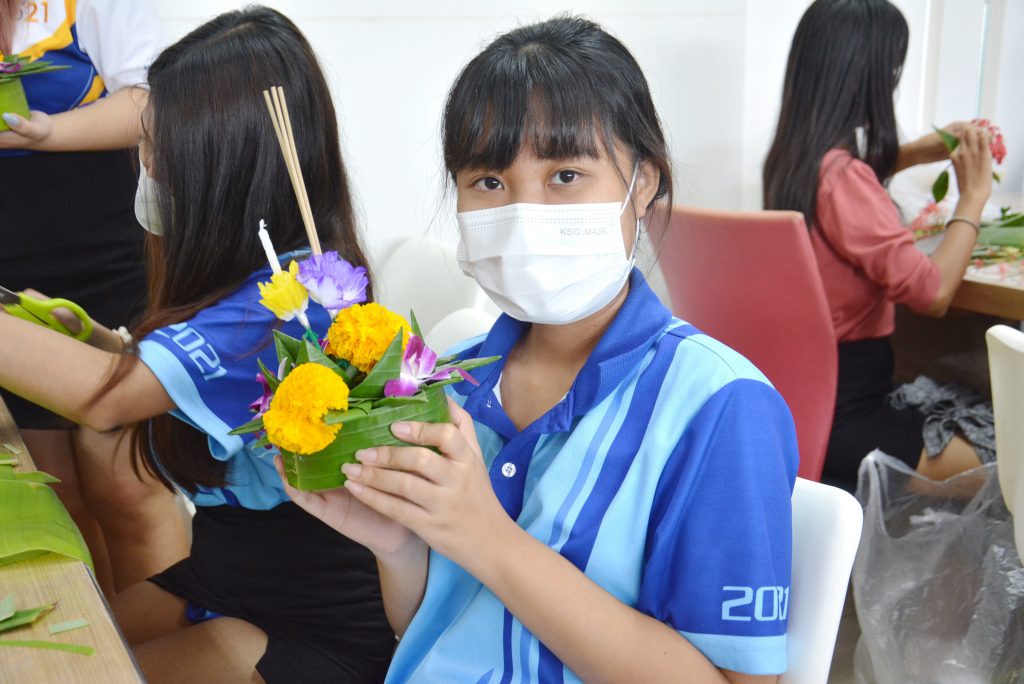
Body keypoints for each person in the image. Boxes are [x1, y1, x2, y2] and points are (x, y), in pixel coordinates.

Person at [284, 16, 798, 683]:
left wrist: (485, 536)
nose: (525, 215)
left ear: (643, 182)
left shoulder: (720, 406)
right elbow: (431, 632)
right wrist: (399, 546)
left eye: (565, 174)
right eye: (489, 182)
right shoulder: (449, 372)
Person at [0, 7, 393, 682]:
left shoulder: (296, 298)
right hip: (224, 577)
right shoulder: (241, 275)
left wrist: (105, 364)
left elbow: (107, 402)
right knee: (37, 651)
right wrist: (100, 341)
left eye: (159, 149)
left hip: (312, 627)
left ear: (221, 164)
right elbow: (148, 381)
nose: (147, 166)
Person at [763, 0, 994, 487]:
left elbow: (847, 192)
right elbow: (934, 293)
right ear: (870, 78)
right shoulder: (843, 179)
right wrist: (972, 198)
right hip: (853, 417)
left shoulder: (793, 163)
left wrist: (913, 153)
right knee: (1008, 455)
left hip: (812, 405)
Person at [0, 0, 186, 595]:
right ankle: (103, 630)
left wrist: (47, 133)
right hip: (10, 274)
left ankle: (166, 629)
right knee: (51, 488)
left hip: (105, 252)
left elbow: (150, 101)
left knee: (128, 482)